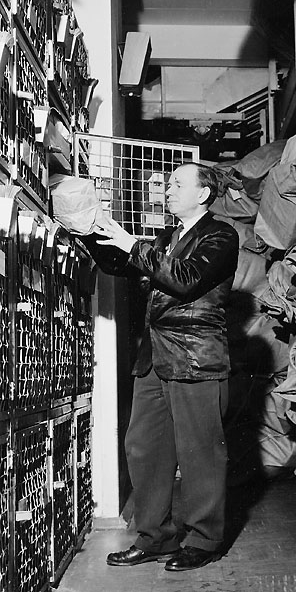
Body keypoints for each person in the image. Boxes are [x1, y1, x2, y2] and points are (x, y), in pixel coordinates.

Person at [95, 162, 239, 571]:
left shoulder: (220, 235)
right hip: (155, 359)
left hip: (194, 358)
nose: (167, 189)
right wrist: (91, 232)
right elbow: (123, 267)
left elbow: (186, 278)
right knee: (144, 447)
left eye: (177, 183)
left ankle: (204, 540)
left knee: (199, 454)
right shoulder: (165, 238)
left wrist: (133, 246)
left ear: (203, 194)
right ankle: (156, 537)